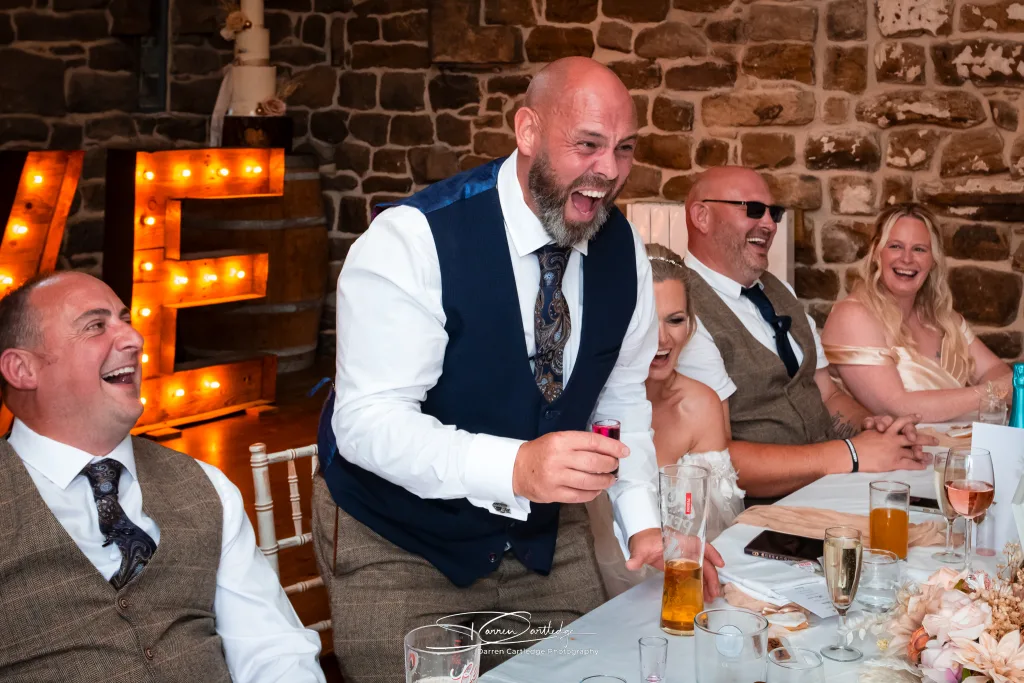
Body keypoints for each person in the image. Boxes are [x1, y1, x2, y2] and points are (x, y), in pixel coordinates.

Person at [312, 57, 720, 682]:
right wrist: (516, 468)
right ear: (527, 131)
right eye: (587, 145)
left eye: (624, 150)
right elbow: (367, 423)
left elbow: (620, 404)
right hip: (402, 548)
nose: (608, 172)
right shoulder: (413, 240)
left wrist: (643, 527)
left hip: (543, 546)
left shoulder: (623, 252)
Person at [0, 272, 325, 681]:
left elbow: (272, 649)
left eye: (125, 320)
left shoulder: (208, 487)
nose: (134, 339)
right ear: (22, 369)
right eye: (96, 326)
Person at [676, 166, 935, 503]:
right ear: (702, 216)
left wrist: (869, 426)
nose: (769, 224)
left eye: (774, 212)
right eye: (753, 210)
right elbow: (718, 458)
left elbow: (827, 395)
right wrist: (852, 455)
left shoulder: (778, 290)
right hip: (764, 513)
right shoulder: (683, 311)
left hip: (830, 486)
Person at [588, 243, 739, 597]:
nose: (661, 339)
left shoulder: (701, 406)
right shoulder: (588, 409)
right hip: (592, 593)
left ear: (692, 324)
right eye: (645, 321)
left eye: (675, 320)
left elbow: (715, 533)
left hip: (681, 589)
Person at [821, 204, 1011, 423]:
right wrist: (992, 393)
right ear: (875, 253)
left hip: (957, 454)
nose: (907, 259)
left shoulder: (946, 321)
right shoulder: (853, 315)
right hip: (891, 454)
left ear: (932, 261)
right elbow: (895, 407)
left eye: (919, 249)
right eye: (895, 246)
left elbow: (997, 370)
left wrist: (999, 388)